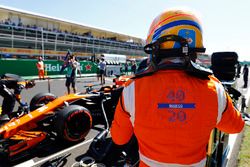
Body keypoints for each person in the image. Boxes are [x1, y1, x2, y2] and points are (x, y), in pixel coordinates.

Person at [110, 9, 245, 167]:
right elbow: (236, 126)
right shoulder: (215, 89)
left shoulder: (132, 88)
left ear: (157, 45)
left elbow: (119, 138)